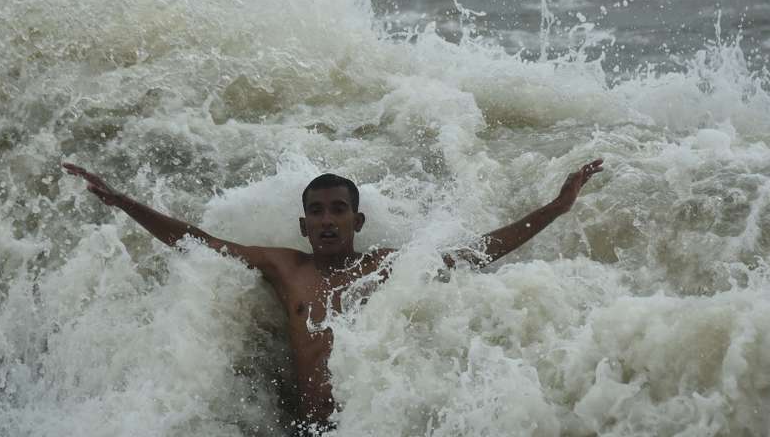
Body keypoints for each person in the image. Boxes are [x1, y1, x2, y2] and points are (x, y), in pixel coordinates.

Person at [63, 159, 604, 431]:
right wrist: (123, 202)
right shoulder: (284, 268)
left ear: (357, 219)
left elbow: (474, 252)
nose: (327, 220)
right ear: (303, 225)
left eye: (337, 210)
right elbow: (198, 242)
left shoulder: (383, 268)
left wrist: (557, 208)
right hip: (300, 427)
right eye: (317, 212)